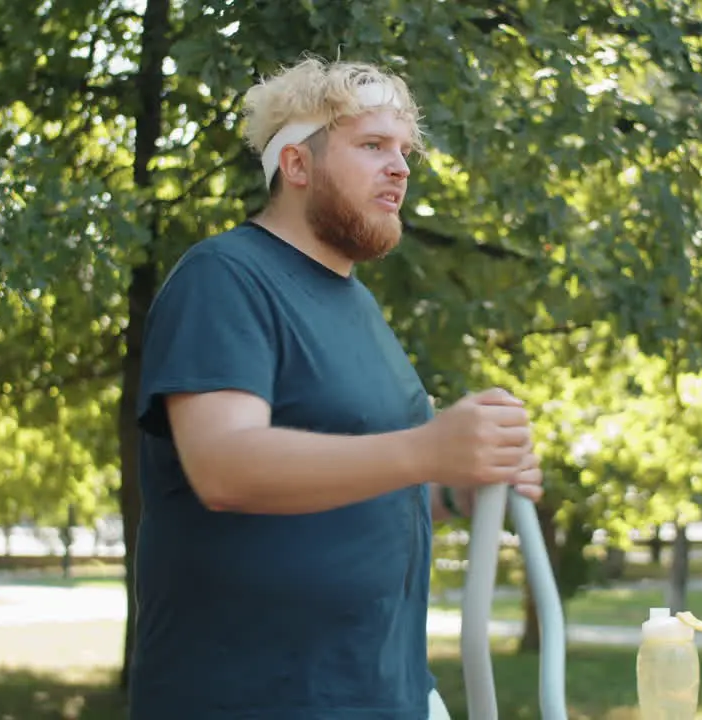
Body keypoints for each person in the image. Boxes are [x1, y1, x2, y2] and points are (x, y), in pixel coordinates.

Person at [126, 57, 544, 720]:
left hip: (386, 694)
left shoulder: (360, 309)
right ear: (296, 164)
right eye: (373, 146)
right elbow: (224, 466)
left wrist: (456, 489)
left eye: (405, 150)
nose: (401, 168)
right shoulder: (225, 278)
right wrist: (430, 450)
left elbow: (370, 484)